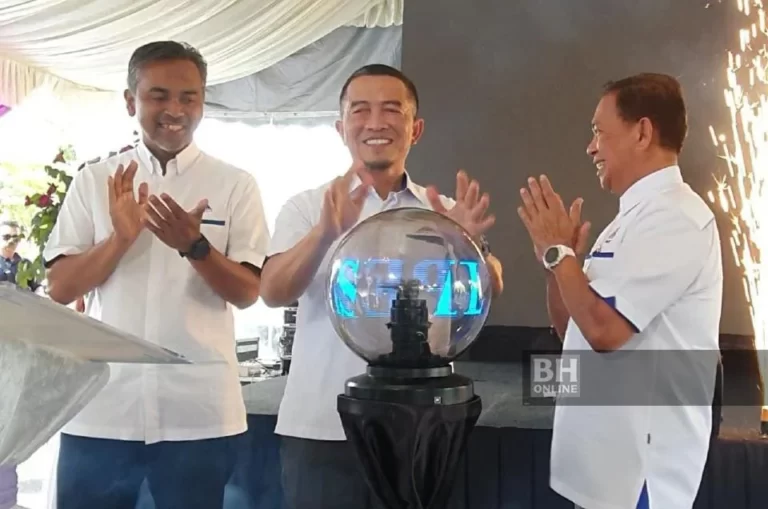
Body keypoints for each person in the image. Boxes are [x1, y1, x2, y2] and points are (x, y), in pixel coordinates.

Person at [259, 64, 504, 509]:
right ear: (341, 127)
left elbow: (494, 285)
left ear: (416, 129)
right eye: (360, 110)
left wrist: (471, 244)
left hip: (424, 427)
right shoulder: (308, 207)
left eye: (392, 110)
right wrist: (324, 234)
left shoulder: (440, 210)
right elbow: (273, 291)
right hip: (324, 427)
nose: (376, 123)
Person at [43, 41, 270, 509]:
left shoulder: (234, 184)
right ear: (131, 101)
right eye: (158, 95)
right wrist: (120, 238)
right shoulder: (95, 180)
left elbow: (249, 292)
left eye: (189, 97)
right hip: (102, 408)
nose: (175, 110)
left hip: (198, 412)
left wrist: (195, 246)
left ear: (203, 101)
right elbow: (61, 288)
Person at [517, 73, 723, 509]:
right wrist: (556, 264)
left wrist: (560, 254)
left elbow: (605, 332)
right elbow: (572, 328)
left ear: (642, 132)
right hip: (603, 474)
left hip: (640, 477)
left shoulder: (676, 218)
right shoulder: (631, 220)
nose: (591, 147)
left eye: (599, 131)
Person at [0, 220, 40, 291]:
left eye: (15, 238)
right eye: (6, 237)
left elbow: (36, 287)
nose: (11, 241)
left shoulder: (25, 264)